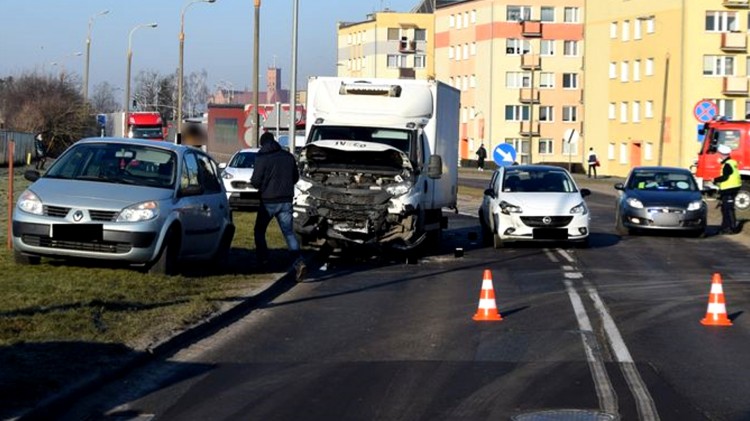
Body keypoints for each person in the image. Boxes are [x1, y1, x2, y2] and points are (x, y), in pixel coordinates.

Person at [250, 131, 307, 281]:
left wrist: (262, 186)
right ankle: (299, 262)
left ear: (262, 144)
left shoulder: (262, 158)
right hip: (286, 200)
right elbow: (295, 177)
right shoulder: (288, 157)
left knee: (259, 231)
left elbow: (255, 181)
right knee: (288, 233)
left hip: (268, 201)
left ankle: (264, 260)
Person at [712, 144, 741, 235]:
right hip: (731, 188)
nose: (718, 155)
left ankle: (732, 228)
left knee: (728, 209)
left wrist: (715, 180)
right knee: (725, 208)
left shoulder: (727, 164)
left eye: (719, 154)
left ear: (722, 154)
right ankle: (725, 227)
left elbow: (725, 177)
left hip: (729, 189)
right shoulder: (732, 162)